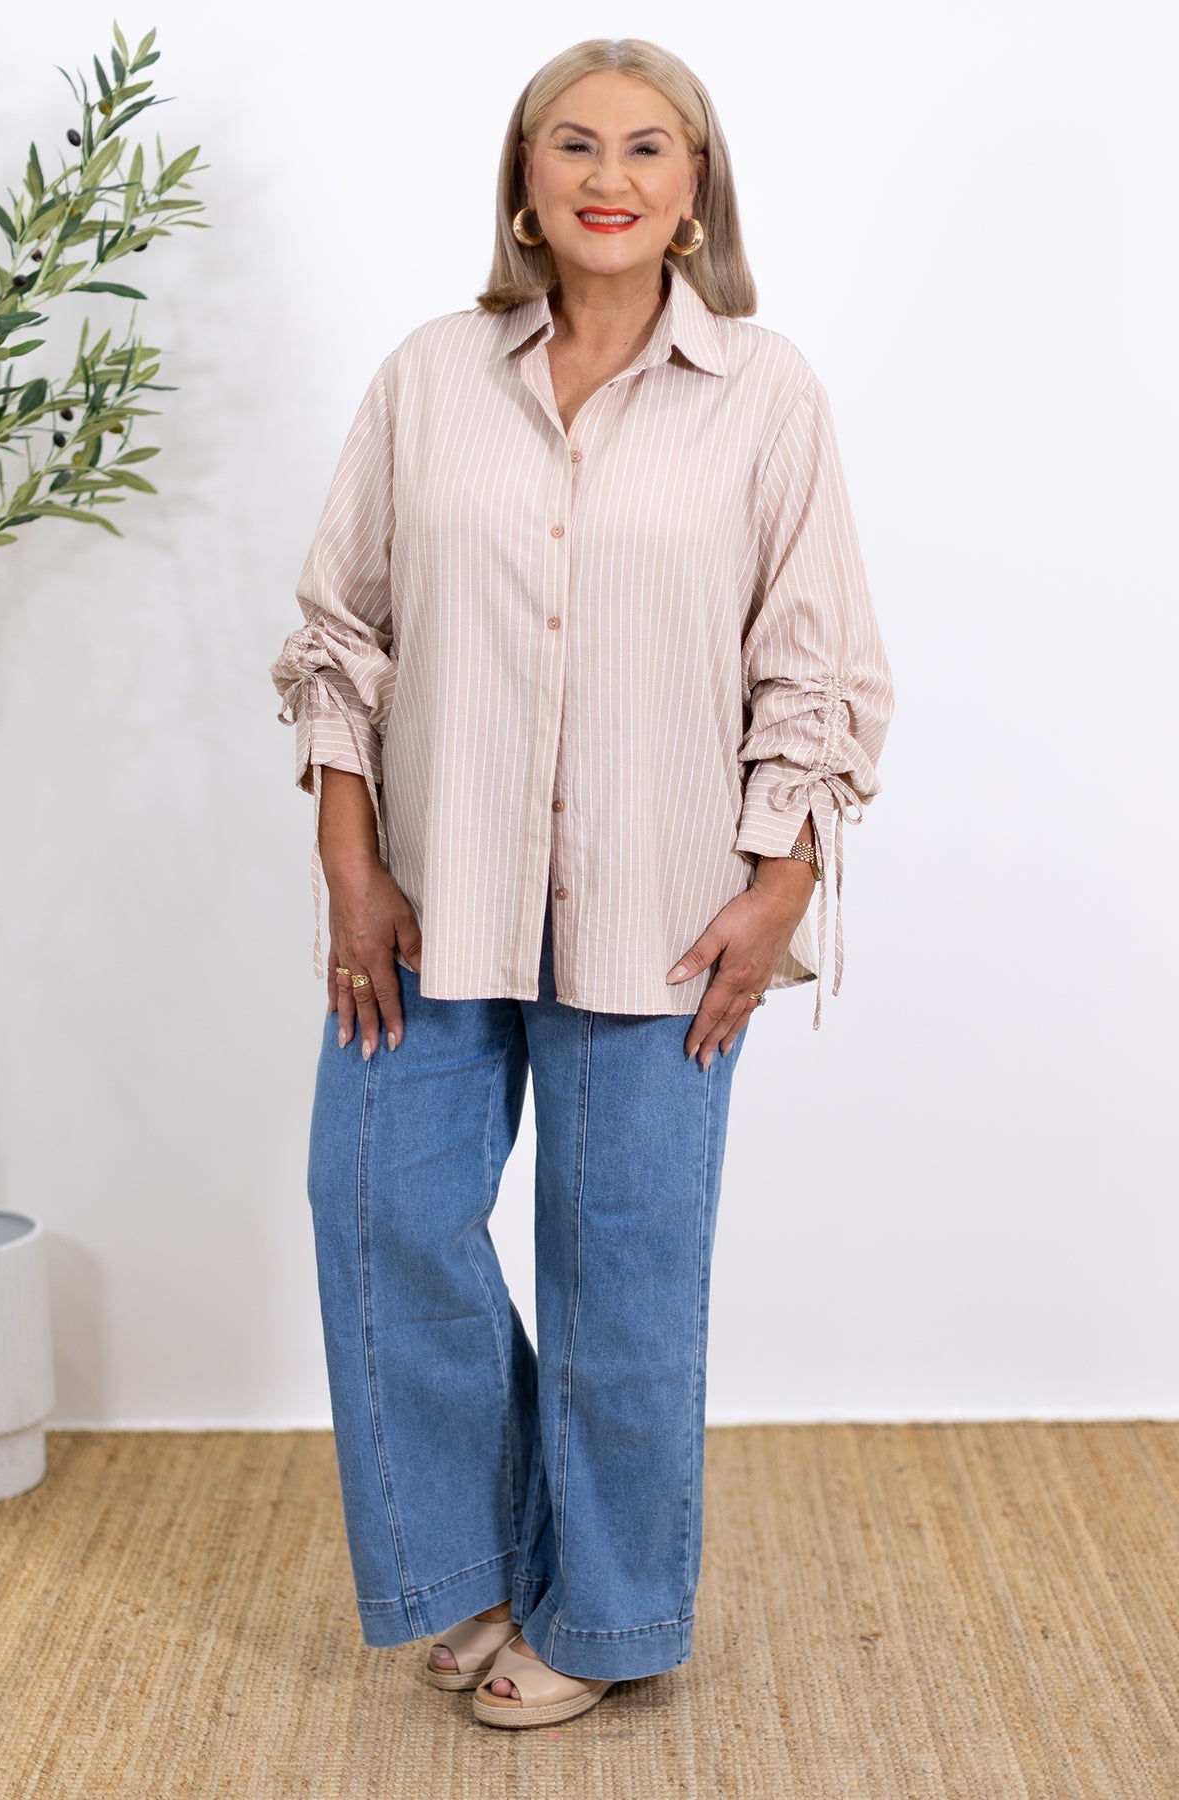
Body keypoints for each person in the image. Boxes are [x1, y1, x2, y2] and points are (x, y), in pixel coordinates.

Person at [269, 37, 894, 1731]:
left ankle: (609, 1617)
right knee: (377, 1205)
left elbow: (817, 662)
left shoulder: (766, 396)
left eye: (645, 146)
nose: (608, 174)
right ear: (524, 180)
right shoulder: (429, 376)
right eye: (573, 143)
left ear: (695, 188)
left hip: (667, 912)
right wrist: (348, 863)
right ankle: (482, 1564)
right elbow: (340, 632)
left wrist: (782, 885)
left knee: (623, 1276)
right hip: (435, 896)